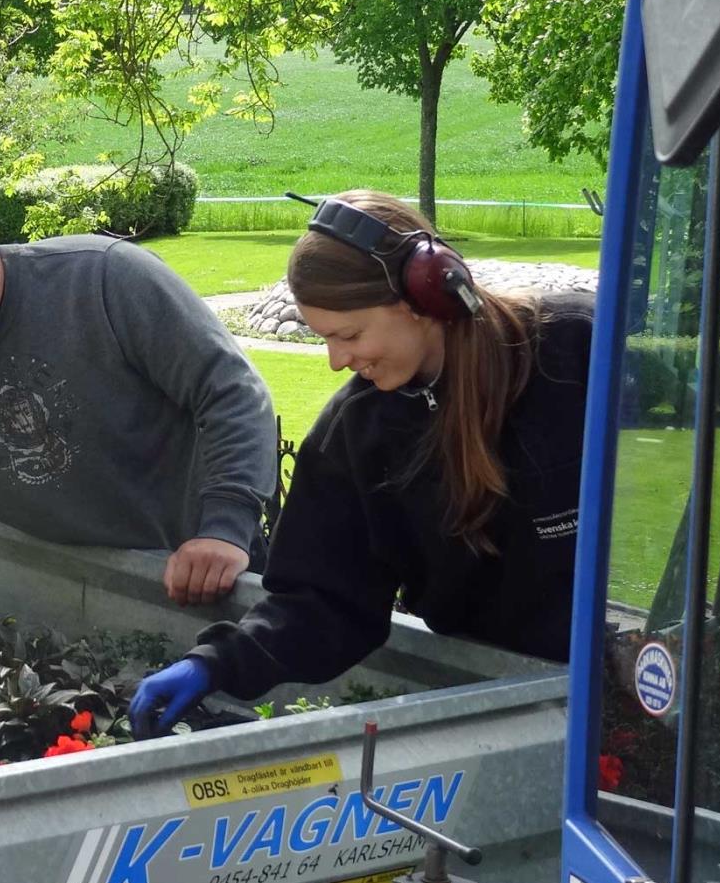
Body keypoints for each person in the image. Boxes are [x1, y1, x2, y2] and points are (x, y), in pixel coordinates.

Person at [129, 190, 593, 738]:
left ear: (425, 295)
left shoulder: (575, 349)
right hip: (497, 700)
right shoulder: (355, 432)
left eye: (347, 335)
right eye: (325, 339)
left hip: (638, 679)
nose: (335, 360)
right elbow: (325, 602)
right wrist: (216, 663)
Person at [0, 193, 278, 610]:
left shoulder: (102, 280)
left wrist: (225, 527)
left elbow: (232, 392)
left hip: (201, 591)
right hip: (63, 614)